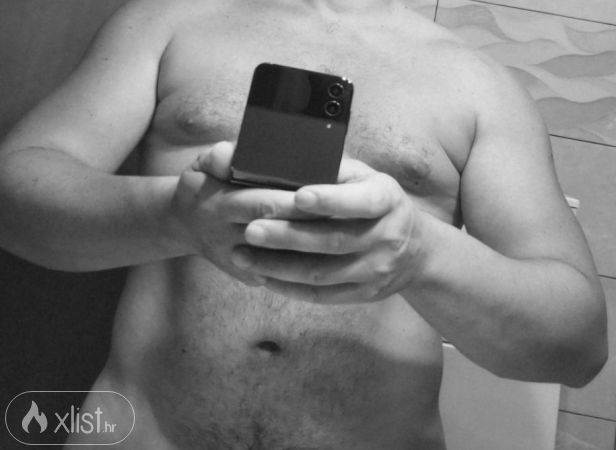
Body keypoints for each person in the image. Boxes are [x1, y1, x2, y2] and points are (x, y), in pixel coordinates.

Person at [0, 0, 607, 448]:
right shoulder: (171, 21)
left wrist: (420, 254)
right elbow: (16, 193)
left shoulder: (482, 87)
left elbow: (576, 348)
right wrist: (174, 217)